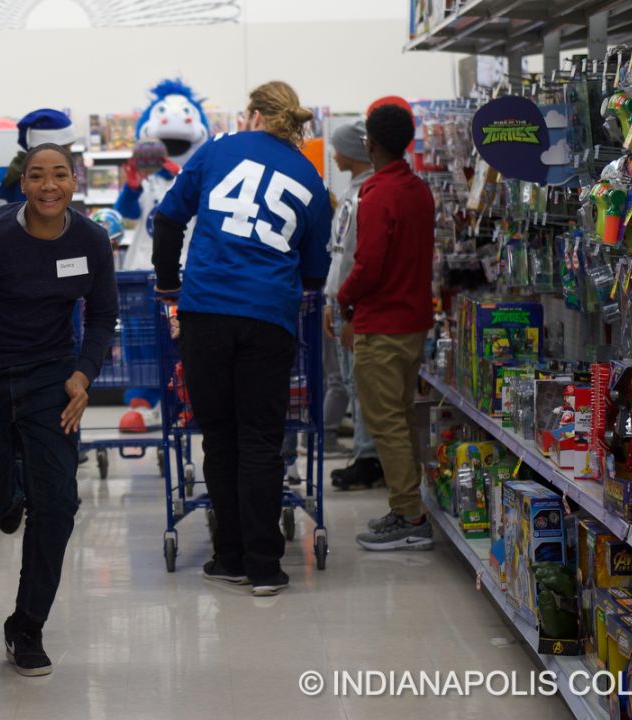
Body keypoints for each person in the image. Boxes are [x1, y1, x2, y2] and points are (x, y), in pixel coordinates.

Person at [0, 143, 119, 676]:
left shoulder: (91, 240)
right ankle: (8, 492)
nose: (49, 186)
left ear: (74, 182)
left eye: (59, 175)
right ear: (24, 184)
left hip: (51, 380)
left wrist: (84, 373)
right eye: (38, 176)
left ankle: (27, 625)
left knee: (57, 504)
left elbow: (103, 315)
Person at [153, 81, 331, 596]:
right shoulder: (311, 178)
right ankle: (264, 566)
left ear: (252, 114)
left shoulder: (218, 149)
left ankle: (227, 554)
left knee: (220, 438)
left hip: (205, 312)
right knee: (260, 440)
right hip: (268, 320)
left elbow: (168, 220)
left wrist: (169, 286)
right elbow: (315, 268)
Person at [337, 104, 436, 551]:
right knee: (401, 417)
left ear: (370, 145)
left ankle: (410, 516)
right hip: (413, 322)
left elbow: (368, 265)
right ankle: (405, 505)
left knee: (387, 422)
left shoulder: (377, 195)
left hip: (381, 325)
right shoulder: (419, 190)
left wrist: (343, 298)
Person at [323, 120, 384, 491]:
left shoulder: (364, 196)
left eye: (337, 147)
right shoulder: (353, 192)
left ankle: (368, 457)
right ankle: (365, 453)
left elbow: (355, 259)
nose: (333, 153)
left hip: (351, 302)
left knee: (359, 385)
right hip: (341, 298)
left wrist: (347, 307)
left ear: (352, 152)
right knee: (350, 381)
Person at [0, 109, 78, 206]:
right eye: (67, 148)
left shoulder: (18, 169)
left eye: (60, 176)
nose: (49, 186)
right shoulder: (26, 186)